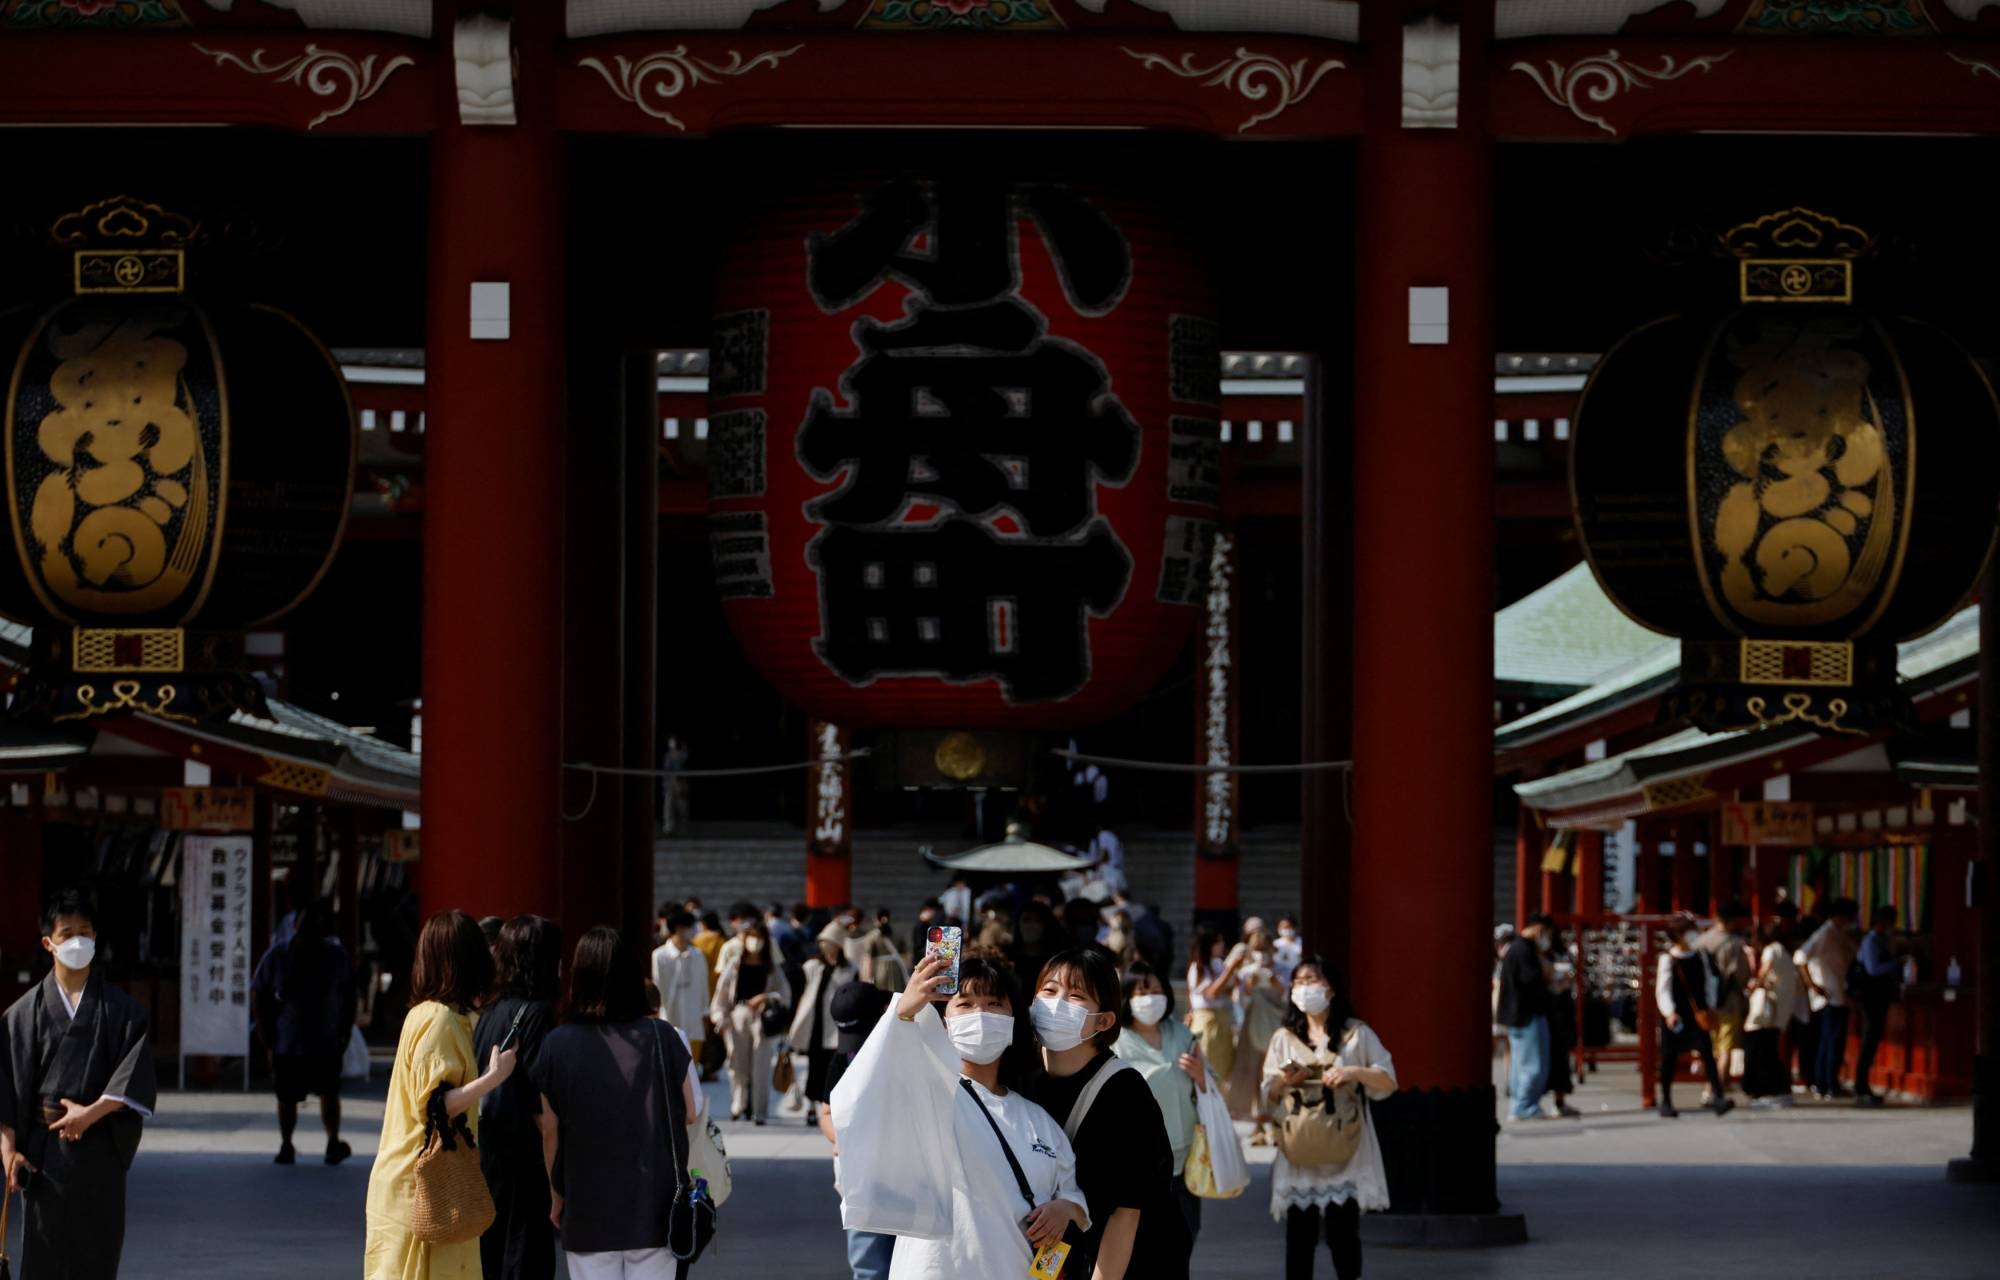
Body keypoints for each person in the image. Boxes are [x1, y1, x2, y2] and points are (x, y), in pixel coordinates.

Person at [831, 952, 1088, 1280]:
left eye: (994, 1003)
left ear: (1013, 1020)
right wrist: (904, 1013)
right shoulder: (925, 1094)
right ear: (943, 1021)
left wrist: (1066, 1209)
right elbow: (862, 1096)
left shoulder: (1037, 1119)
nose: (981, 1014)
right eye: (965, 1004)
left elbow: (1070, 1191)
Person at [0, 888, 159, 1280]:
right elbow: (6, 1090)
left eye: (84, 933)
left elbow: (134, 1072)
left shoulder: (122, 1011)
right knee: (44, 1258)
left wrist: (92, 1114)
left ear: (96, 939)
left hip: (99, 1153)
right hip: (44, 1155)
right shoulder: (20, 1015)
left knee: (97, 1256)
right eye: (66, 933)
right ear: (48, 943)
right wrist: (7, 1155)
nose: (76, 942)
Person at [534, 926, 699, 1280]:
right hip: (655, 1206)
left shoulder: (557, 1044)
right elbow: (690, 1112)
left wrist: (555, 1193)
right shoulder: (663, 1036)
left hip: (587, 1205)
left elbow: (550, 1130)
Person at [365, 910, 519, 1280]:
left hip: (405, 1182)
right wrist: (493, 1078)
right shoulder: (441, 1022)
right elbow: (437, 1106)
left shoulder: (424, 1014)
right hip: (424, 1188)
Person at [1026, 946, 1192, 1280]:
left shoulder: (1125, 1092)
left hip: (1131, 1261)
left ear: (1103, 1020)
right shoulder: (1021, 1079)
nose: (1056, 1003)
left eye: (1076, 996)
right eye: (1048, 990)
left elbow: (1127, 1212)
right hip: (1056, 1259)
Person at [1261, 957, 1396, 1280]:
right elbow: (1268, 1094)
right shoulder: (1284, 1038)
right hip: (1300, 1146)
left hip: (1343, 1145)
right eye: (1299, 982)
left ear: (1331, 988)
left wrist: (1353, 1072)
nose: (1304, 988)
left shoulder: (1356, 1034)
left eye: (1312, 980)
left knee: (1343, 1234)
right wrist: (1285, 1080)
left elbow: (1388, 1081)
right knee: (1299, 1238)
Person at [476, 915, 563, 1280]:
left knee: (492, 1258)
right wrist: (557, 1187)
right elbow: (544, 1115)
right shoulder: (538, 1014)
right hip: (525, 1167)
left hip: (488, 1157)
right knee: (526, 1260)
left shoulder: (490, 1012)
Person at [251, 899, 357, 1165]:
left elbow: (349, 995)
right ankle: (287, 1143)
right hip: (289, 1039)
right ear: (295, 926)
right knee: (287, 1097)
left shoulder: (335, 956)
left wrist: (345, 1030)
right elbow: (259, 991)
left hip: (325, 1038)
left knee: (329, 1093)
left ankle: (332, 1141)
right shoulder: (278, 955)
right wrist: (264, 1030)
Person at [1112, 961, 1207, 1243]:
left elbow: (1208, 1085)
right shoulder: (1115, 1040)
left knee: (1186, 1233)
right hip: (1138, 1160)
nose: (1150, 998)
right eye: (1141, 992)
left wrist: (1201, 1077)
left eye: (1156, 990)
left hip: (1187, 1157)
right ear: (1127, 997)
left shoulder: (1181, 1033)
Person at [816, 977, 895, 1279]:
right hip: (860, 1176)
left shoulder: (904, 1050)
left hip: (906, 1172)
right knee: (869, 1265)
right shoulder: (841, 1061)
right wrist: (842, 1137)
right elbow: (826, 1113)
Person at [711, 913, 791, 1124]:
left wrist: (766, 996)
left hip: (762, 1018)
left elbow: (785, 993)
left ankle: (759, 1111)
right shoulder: (735, 964)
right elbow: (722, 993)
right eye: (751, 936)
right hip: (738, 1016)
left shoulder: (771, 967)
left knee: (761, 1064)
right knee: (737, 1064)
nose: (755, 941)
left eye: (758, 937)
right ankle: (739, 1104)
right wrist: (720, 1018)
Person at [1655, 912, 1733, 1119]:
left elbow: (1709, 982)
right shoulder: (1668, 959)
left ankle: (1717, 1095)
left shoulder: (1700, 955)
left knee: (1707, 1053)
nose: (1693, 935)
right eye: (1689, 930)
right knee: (1669, 1058)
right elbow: (1662, 989)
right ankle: (1666, 1101)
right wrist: (1669, 1012)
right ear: (1679, 934)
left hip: (1699, 1012)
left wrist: (1711, 1005)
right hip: (1677, 1016)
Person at [790, 923, 860, 1128]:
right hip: (815, 1025)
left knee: (835, 1068)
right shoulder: (812, 966)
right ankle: (811, 1107)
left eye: (828, 943)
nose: (824, 946)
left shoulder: (849, 969)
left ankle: (829, 1108)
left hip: (838, 1027)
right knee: (815, 1068)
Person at [1229, 925, 1288, 1139]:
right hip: (1252, 1025)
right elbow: (1240, 1003)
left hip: (1277, 1026)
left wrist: (1277, 984)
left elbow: (1289, 999)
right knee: (1253, 1072)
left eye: (1264, 948)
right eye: (1257, 949)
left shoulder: (1283, 970)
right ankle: (1258, 1120)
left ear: (1272, 949)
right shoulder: (1247, 972)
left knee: (1275, 1071)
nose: (1261, 953)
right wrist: (1247, 987)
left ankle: (1275, 1117)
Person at [1798, 897, 1860, 1100]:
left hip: (1837, 993)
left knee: (1831, 1041)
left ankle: (1825, 1082)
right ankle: (1827, 1083)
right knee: (1831, 1041)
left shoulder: (1837, 934)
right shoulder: (1824, 934)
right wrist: (1813, 985)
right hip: (1829, 996)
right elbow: (1800, 957)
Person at [1495, 914, 1554, 1121]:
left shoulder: (1517, 948)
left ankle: (1520, 1104)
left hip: (1518, 1015)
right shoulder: (1524, 950)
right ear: (1539, 929)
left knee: (1521, 1063)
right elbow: (1531, 981)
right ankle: (1524, 1106)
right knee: (1532, 1065)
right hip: (1527, 1014)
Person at [1743, 919, 1803, 1108]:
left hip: (1769, 1013)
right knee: (1770, 1052)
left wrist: (1754, 986)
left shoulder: (1772, 950)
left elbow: (1765, 971)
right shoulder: (1784, 952)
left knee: (1764, 1053)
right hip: (1779, 1012)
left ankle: (1770, 1090)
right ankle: (1776, 1089)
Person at [1698, 900, 1755, 1100]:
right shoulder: (1735, 944)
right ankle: (1717, 1089)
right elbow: (1742, 975)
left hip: (1707, 1002)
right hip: (1729, 1001)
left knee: (1711, 1048)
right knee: (1725, 1049)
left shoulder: (1702, 941)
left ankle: (1707, 1087)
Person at [1852, 905, 1904, 1107]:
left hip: (1876, 997)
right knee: (1868, 1040)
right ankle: (1861, 1085)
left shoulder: (1879, 940)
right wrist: (1896, 964)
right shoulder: (1872, 941)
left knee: (1871, 1041)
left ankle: (1863, 1084)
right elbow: (1873, 969)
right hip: (1871, 997)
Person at [651, 910, 710, 1065]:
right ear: (679, 928)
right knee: (669, 1064)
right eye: (690, 927)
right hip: (669, 1016)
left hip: (694, 1018)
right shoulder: (660, 955)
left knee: (692, 1067)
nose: (694, 931)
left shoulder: (698, 955)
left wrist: (705, 1013)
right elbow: (657, 985)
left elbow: (704, 986)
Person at [1186, 928, 1241, 1088]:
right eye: (1218, 942)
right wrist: (1231, 969)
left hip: (1222, 1019)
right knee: (1208, 1063)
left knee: (1223, 1068)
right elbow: (1211, 993)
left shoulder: (1218, 964)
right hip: (1206, 1020)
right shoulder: (1198, 967)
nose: (1222, 945)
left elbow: (1227, 990)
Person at [1544, 927, 1581, 1119]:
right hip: (1553, 1012)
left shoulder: (1560, 955)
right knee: (1555, 1059)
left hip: (1561, 1012)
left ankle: (1559, 1100)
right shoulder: (1543, 955)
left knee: (1561, 1059)